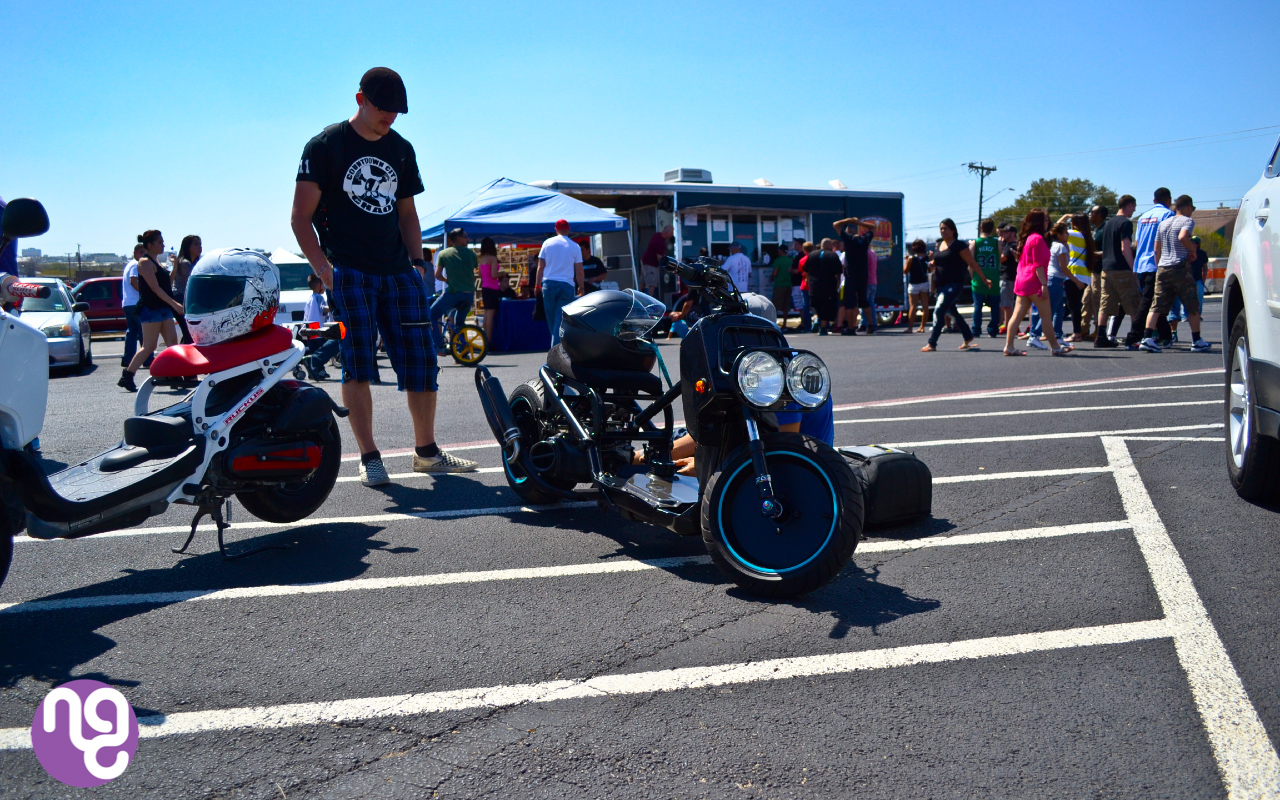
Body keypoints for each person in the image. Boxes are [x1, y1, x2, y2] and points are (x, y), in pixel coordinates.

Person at [291, 66, 478, 486]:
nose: (389, 117)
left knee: (422, 362)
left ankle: (426, 453)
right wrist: (325, 271)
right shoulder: (325, 146)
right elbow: (300, 218)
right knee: (357, 365)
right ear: (360, 99)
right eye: (382, 108)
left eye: (397, 111)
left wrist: (418, 263)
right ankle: (370, 457)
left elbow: (407, 213)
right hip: (348, 272)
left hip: (399, 272)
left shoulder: (401, 148)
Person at [1142, 194, 1211, 353]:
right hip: (1180, 267)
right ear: (1188, 206)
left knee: (1156, 305)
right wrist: (1193, 250)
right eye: (1192, 208)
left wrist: (1159, 266)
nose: (1192, 211)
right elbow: (1182, 237)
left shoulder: (1163, 223)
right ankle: (1197, 340)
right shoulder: (1187, 221)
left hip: (1163, 267)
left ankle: (1147, 338)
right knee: (1192, 304)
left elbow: (1156, 249)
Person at [119, 230, 184, 391]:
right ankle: (127, 376)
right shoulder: (144, 262)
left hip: (163, 308)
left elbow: (167, 284)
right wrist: (175, 304)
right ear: (150, 245)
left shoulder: (157, 262)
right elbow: (155, 288)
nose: (163, 245)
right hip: (151, 309)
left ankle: (173, 375)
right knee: (149, 346)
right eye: (160, 242)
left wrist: (174, 267)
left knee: (172, 343)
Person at [1002, 210, 1070, 356]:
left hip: (1022, 280)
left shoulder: (1028, 238)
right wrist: (1044, 285)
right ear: (1039, 222)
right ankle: (1056, 347)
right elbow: (1038, 265)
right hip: (1035, 281)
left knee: (1017, 315)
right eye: (1045, 220)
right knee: (1046, 316)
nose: (1047, 222)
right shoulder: (1038, 239)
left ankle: (1009, 346)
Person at [922, 218, 988, 352]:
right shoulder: (940, 245)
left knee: (939, 310)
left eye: (945, 228)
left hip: (954, 284)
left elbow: (972, 263)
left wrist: (984, 279)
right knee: (952, 311)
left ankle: (932, 343)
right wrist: (932, 263)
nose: (943, 231)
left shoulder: (959, 245)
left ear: (952, 230)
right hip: (941, 285)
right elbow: (940, 262)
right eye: (941, 229)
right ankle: (968, 336)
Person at [1095, 195, 1142, 349]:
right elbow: (1125, 247)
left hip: (1106, 268)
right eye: (1134, 207)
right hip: (1121, 269)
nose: (1134, 211)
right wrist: (1133, 268)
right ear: (1129, 205)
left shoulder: (1108, 224)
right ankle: (1134, 338)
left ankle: (1101, 336)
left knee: (1105, 304)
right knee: (1133, 303)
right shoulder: (1125, 223)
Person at [1133, 188, 1175, 346]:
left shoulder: (1143, 216)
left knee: (1154, 301)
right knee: (1150, 302)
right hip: (1157, 262)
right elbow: (1169, 241)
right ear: (1169, 200)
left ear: (1154, 200)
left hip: (1141, 263)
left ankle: (1165, 336)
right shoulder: (1168, 215)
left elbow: (1137, 242)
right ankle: (1137, 336)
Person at [535, 219, 583, 346]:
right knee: (560, 319)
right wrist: (581, 287)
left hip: (549, 284)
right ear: (568, 230)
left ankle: (555, 347)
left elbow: (540, 267)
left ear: (556, 230)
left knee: (551, 319)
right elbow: (579, 271)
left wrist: (537, 285)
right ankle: (557, 347)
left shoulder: (547, 243)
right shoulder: (575, 246)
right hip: (567, 285)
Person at [430, 228, 477, 353]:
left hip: (453, 293)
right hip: (469, 294)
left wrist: (446, 280)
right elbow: (472, 274)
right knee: (460, 323)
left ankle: (439, 346)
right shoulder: (472, 254)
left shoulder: (443, 253)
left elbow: (437, 275)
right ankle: (462, 352)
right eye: (465, 236)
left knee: (432, 315)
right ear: (459, 238)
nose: (467, 239)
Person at [833, 217, 877, 335]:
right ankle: (871, 325)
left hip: (850, 275)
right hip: (863, 275)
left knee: (850, 303)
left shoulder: (848, 239)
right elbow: (873, 227)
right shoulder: (864, 239)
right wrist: (859, 223)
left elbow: (835, 224)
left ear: (848, 232)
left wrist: (848, 220)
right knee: (864, 301)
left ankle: (851, 328)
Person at [1169, 234, 1208, 342]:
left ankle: (1196, 336)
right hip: (1180, 280)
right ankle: (1174, 332)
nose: (1190, 243)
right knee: (1175, 306)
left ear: (1197, 244)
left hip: (1196, 280)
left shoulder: (1202, 254)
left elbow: (1205, 267)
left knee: (1197, 303)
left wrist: (1203, 280)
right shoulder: (1184, 252)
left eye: (1193, 242)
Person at [302, 273, 340, 380]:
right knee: (325, 350)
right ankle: (317, 367)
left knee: (315, 351)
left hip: (309, 330)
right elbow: (324, 310)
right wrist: (333, 305)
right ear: (319, 285)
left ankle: (316, 372)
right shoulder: (319, 298)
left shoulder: (309, 299)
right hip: (318, 330)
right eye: (323, 284)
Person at [970, 219, 1001, 338]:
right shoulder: (997, 242)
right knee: (995, 306)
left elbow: (971, 263)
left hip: (978, 279)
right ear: (992, 229)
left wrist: (972, 277)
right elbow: (999, 259)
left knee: (978, 306)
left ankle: (976, 329)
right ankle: (993, 329)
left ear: (981, 228)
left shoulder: (975, 243)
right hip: (994, 278)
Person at [1065, 215, 1095, 341]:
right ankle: (1080, 331)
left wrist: (1064, 217)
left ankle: (1077, 333)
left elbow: (1055, 231)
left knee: (1073, 306)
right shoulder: (1088, 236)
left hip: (1074, 274)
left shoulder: (1074, 234)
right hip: (1085, 275)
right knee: (1078, 305)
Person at [806, 239, 843, 335]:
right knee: (826, 307)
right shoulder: (833, 255)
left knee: (816, 305)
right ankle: (823, 327)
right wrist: (838, 284)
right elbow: (837, 273)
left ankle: (818, 320)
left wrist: (808, 281)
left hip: (814, 286)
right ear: (829, 245)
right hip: (828, 286)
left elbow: (806, 270)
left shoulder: (812, 255)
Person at [120, 243, 147, 368]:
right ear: (135, 253)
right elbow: (133, 281)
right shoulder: (136, 265)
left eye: (145, 252)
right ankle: (147, 359)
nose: (143, 255)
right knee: (144, 333)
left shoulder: (129, 264)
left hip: (127, 304)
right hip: (136, 304)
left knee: (131, 332)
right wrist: (145, 292)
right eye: (141, 252)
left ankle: (127, 359)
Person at [170, 235, 200, 344]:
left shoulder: (194, 263)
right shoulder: (184, 263)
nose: (199, 247)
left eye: (200, 244)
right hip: (180, 298)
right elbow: (195, 281)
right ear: (187, 247)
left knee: (189, 333)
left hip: (186, 299)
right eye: (195, 244)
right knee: (189, 333)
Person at [477, 237, 503, 342]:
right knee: (490, 316)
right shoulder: (492, 258)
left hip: (485, 288)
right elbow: (494, 274)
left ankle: (485, 339)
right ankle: (489, 340)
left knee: (486, 315)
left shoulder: (482, 259)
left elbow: (480, 275)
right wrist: (502, 273)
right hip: (493, 288)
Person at [903, 239, 930, 333]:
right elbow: (929, 270)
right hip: (924, 283)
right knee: (925, 306)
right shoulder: (927, 258)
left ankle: (910, 328)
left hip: (914, 284)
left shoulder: (911, 258)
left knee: (913, 306)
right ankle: (922, 327)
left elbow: (905, 271)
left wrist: (906, 260)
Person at [997, 223, 1019, 334]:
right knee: (1003, 303)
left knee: (1007, 304)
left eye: (1006, 232)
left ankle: (1008, 325)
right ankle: (1008, 324)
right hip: (1005, 276)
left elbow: (1001, 259)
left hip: (1008, 277)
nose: (1004, 234)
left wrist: (999, 246)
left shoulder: (1012, 245)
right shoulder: (1006, 244)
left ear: (1013, 233)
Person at [640, 225, 672, 296]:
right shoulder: (661, 243)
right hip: (650, 264)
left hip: (644, 261)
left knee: (643, 281)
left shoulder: (656, 235)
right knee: (652, 284)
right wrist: (666, 267)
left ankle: (636, 297)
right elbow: (659, 258)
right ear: (667, 233)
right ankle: (650, 300)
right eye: (671, 233)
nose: (672, 235)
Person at [769, 246, 794, 328]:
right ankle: (784, 324)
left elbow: (775, 273)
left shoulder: (777, 260)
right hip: (789, 284)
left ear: (781, 251)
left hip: (779, 285)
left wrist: (771, 277)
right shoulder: (790, 260)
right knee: (786, 306)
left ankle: (773, 324)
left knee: (775, 305)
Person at [796, 240, 814, 332]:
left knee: (806, 306)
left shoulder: (802, 260)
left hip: (805, 285)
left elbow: (800, 271)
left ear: (804, 250)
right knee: (816, 305)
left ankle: (808, 326)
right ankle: (819, 323)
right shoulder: (816, 259)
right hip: (815, 284)